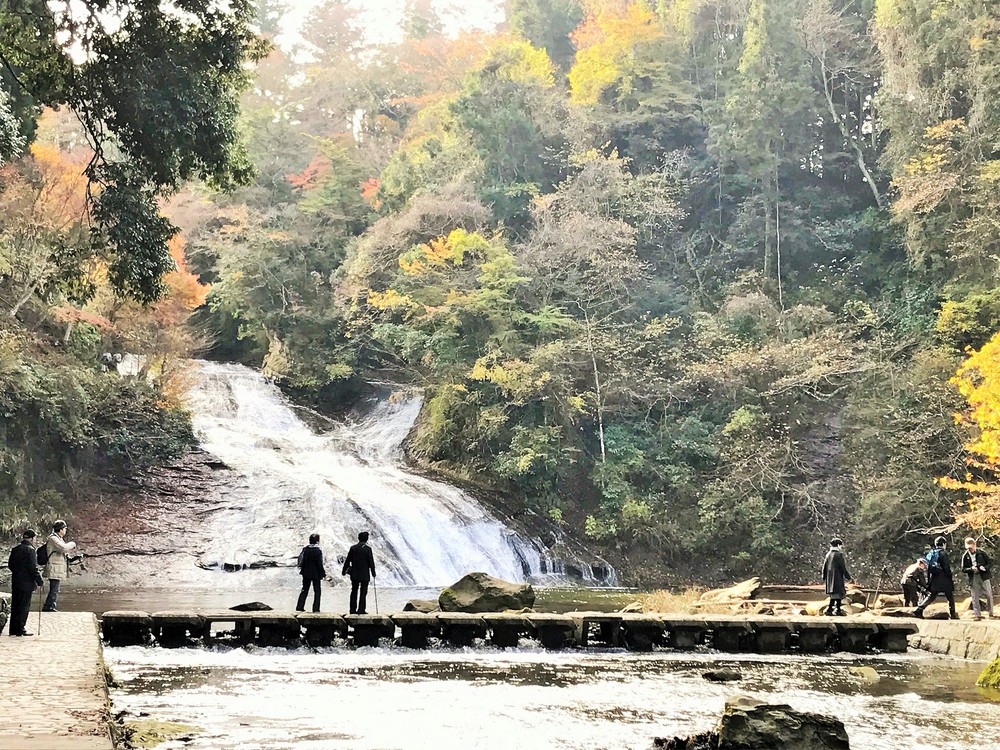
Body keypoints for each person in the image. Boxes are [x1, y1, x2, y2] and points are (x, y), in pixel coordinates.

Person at [7, 529, 44, 636]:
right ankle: (21, 629)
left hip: (16, 581)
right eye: (35, 538)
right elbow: (33, 568)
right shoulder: (30, 550)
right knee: (24, 606)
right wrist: (39, 581)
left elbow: (10, 565)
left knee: (15, 605)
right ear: (32, 538)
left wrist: (18, 573)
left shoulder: (15, 549)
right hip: (27, 583)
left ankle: (13, 629)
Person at [915, 536, 957, 619]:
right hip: (944, 578)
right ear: (944, 544)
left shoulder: (932, 553)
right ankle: (953, 614)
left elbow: (929, 567)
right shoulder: (943, 553)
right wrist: (950, 576)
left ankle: (919, 609)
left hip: (934, 577)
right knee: (950, 596)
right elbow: (946, 567)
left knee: (932, 595)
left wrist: (929, 579)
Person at [42, 520, 77, 612]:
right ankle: (48, 607)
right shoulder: (53, 538)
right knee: (54, 588)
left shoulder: (58, 538)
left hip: (57, 567)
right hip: (54, 567)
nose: (65, 530)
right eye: (65, 528)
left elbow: (62, 552)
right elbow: (63, 548)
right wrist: (72, 543)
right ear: (61, 529)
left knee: (55, 588)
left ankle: (50, 606)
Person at [342, 531, 376, 615]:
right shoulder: (368, 549)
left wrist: (344, 570)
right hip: (364, 574)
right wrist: (373, 572)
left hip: (355, 573)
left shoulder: (353, 548)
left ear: (358, 538)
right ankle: (361, 609)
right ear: (367, 539)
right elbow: (371, 562)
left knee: (354, 591)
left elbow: (348, 560)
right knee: (363, 592)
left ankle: (352, 610)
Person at [960, 537, 993, 621]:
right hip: (973, 576)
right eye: (968, 548)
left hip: (984, 575)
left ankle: (991, 613)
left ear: (975, 545)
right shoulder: (965, 556)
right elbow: (963, 569)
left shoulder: (982, 553)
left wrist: (984, 568)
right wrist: (971, 569)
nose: (970, 550)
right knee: (974, 596)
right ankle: (977, 615)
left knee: (988, 594)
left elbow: (990, 563)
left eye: (971, 547)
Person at [296, 533, 327, 613]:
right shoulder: (318, 551)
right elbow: (319, 564)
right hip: (315, 574)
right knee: (317, 591)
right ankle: (316, 608)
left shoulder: (305, 549)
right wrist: (323, 573)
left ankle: (300, 607)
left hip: (305, 573)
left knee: (304, 590)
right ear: (317, 541)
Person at [821, 538, 852, 616]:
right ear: (838, 545)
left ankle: (835, 609)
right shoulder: (839, 555)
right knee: (838, 594)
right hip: (837, 578)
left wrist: (824, 576)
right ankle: (832, 609)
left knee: (834, 594)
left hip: (830, 578)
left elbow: (824, 567)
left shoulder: (828, 554)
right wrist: (848, 577)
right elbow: (843, 567)